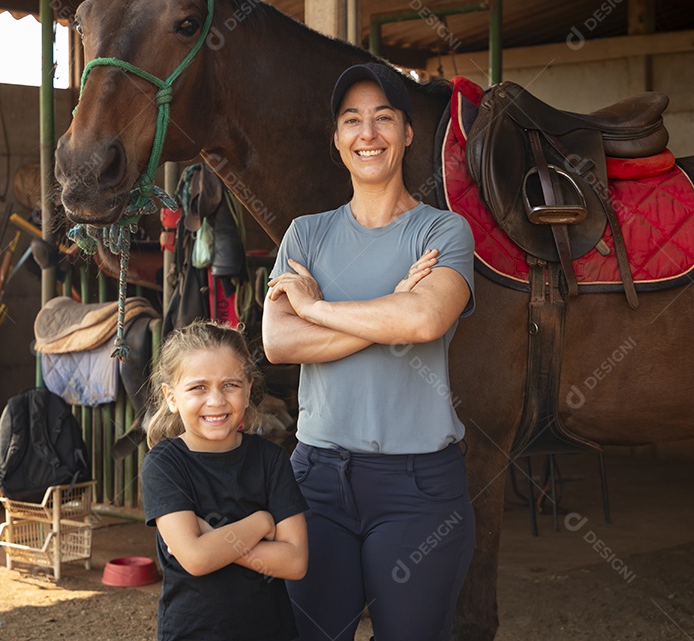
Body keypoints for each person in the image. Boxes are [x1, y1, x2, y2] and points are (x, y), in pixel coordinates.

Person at [263, 62, 476, 641]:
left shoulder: (444, 233)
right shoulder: (305, 234)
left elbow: (426, 317)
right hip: (318, 480)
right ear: (336, 140)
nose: (368, 133)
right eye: (351, 120)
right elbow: (279, 342)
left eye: (384, 118)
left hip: (417, 489)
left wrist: (316, 308)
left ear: (408, 134)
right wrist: (390, 311)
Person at [142, 320, 309, 641]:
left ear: (248, 390)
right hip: (193, 631)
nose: (216, 400)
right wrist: (261, 523)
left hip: (270, 631)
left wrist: (213, 539)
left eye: (230, 385)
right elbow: (196, 559)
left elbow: (295, 562)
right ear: (171, 397)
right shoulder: (164, 463)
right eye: (198, 387)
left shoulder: (270, 459)